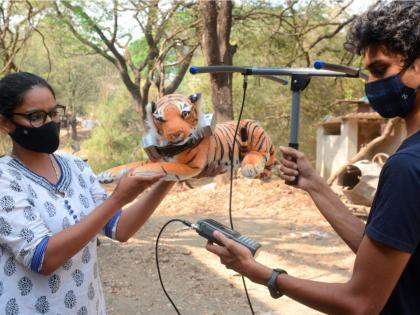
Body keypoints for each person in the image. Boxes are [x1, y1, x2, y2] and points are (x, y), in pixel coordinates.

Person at [206, 2, 420, 314]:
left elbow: (360, 303)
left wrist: (262, 274)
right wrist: (314, 184)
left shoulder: (406, 168)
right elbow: (379, 253)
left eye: (380, 70)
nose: (370, 84)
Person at [0, 72, 171, 314]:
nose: (49, 122)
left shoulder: (75, 167)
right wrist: (118, 198)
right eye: (36, 116)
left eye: (53, 112)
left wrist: (173, 174)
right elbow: (42, 258)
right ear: (5, 123)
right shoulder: (5, 178)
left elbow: (120, 228)